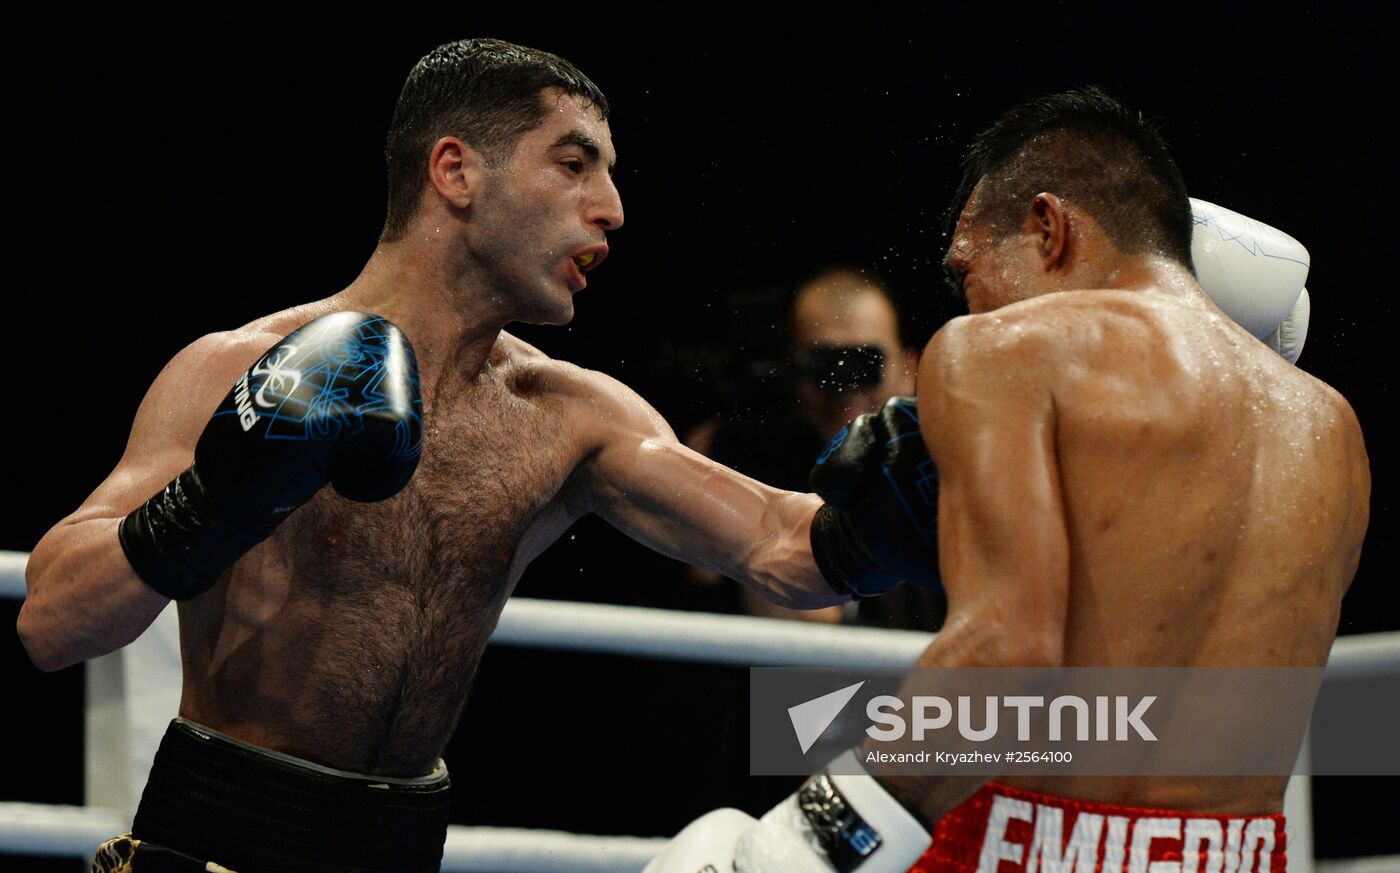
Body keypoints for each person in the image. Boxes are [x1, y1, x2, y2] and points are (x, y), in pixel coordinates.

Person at [16, 39, 934, 873]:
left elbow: (780, 543)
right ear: (454, 171)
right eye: (574, 164)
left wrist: (900, 503)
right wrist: (221, 492)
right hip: (215, 841)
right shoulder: (237, 368)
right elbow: (53, 622)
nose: (611, 208)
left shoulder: (566, 416)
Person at [644, 87, 1367, 873]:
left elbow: (1007, 654)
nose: (968, 301)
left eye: (967, 271)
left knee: (710, 847)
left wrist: (801, 840)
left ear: (1047, 228)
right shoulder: (1332, 424)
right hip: (1244, 853)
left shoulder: (1001, 352)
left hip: (1028, 840)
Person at [688, 267, 940, 626]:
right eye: (824, 363)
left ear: (907, 369)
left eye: (864, 362)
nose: (844, 384)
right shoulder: (737, 458)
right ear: (794, 369)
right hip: (779, 676)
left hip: (924, 677)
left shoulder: (948, 473)